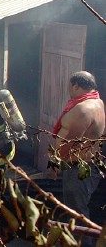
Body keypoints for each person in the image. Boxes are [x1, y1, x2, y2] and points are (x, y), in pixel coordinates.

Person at [52, 71, 104, 247]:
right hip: (87, 165)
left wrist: (56, 162)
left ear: (76, 86)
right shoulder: (98, 102)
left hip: (77, 168)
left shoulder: (83, 109)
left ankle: (82, 244)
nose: (69, 91)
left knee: (77, 213)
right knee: (77, 210)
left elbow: (69, 143)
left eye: (70, 87)